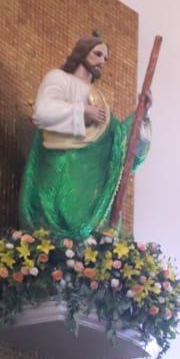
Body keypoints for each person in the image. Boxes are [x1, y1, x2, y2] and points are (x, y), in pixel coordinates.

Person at [22, 35, 153, 239]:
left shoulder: (99, 98)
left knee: (85, 235)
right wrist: (82, 111)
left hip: (89, 181)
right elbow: (42, 111)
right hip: (59, 165)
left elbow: (118, 139)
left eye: (105, 58)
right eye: (97, 54)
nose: (101, 61)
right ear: (82, 53)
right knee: (52, 225)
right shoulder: (59, 78)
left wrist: (141, 114)